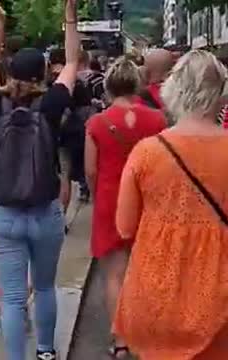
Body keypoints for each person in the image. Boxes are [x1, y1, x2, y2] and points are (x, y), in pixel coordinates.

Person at [115, 50, 228, 360]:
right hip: (219, 294)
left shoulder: (147, 153)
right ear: (221, 95)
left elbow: (125, 228)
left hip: (156, 287)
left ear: (173, 90)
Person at [0, 0, 78, 359]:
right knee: (47, 287)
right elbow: (72, 62)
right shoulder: (51, 104)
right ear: (43, 75)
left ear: (11, 72)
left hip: (5, 214)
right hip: (44, 211)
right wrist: (69, 16)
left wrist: (1, 23)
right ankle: (46, 352)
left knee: (13, 297)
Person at [83, 57, 166, 359]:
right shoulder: (157, 120)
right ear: (137, 84)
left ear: (107, 86)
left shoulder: (96, 123)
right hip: (147, 200)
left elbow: (90, 169)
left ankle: (120, 341)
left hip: (110, 200)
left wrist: (96, 195)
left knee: (114, 275)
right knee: (146, 270)